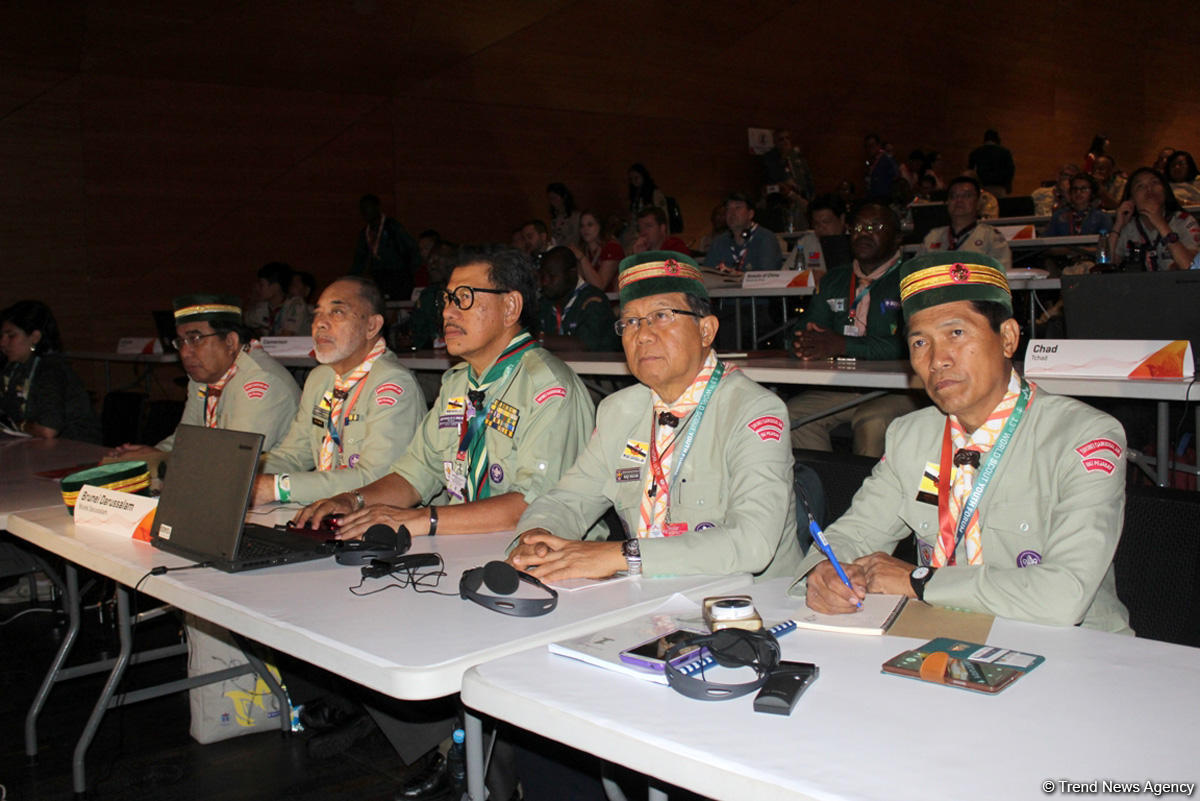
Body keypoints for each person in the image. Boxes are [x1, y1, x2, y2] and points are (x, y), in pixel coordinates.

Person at [794, 251, 1132, 634]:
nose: (938, 359)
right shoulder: (911, 437)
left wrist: (921, 581)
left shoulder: (1082, 438)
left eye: (956, 334)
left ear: (1007, 338)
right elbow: (853, 534)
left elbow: (1064, 596)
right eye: (920, 342)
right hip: (944, 638)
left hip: (1072, 652)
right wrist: (824, 573)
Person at [508, 250, 802, 583]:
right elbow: (568, 499)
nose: (642, 334)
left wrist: (620, 555)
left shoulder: (753, 411)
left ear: (706, 330)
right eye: (630, 321)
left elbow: (752, 542)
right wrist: (536, 538)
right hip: (648, 598)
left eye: (661, 316)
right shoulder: (619, 411)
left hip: (748, 608)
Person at [294, 246, 595, 541]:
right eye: (448, 299)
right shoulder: (458, 383)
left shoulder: (547, 388)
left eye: (464, 298)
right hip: (460, 542)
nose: (448, 312)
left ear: (510, 307)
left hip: (539, 555)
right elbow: (414, 473)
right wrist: (353, 501)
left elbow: (534, 504)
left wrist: (425, 519)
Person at [251, 277, 424, 506]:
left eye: (337, 312)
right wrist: (242, 474)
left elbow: (378, 480)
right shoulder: (320, 378)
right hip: (332, 510)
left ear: (371, 326)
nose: (320, 324)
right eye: (317, 314)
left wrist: (277, 487)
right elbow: (293, 455)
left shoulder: (392, 384)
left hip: (384, 520)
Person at [785, 203, 916, 456]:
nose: (863, 233)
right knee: (793, 414)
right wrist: (804, 342)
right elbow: (801, 330)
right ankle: (827, 491)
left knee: (871, 420)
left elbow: (908, 345)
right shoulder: (835, 279)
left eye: (875, 227)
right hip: (845, 387)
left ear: (898, 237)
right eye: (857, 228)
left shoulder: (912, 278)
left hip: (900, 389)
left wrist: (842, 345)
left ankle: (868, 495)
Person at [107, 294, 299, 463]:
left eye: (195, 339)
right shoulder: (203, 377)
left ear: (230, 342)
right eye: (181, 342)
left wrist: (160, 459)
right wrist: (151, 453)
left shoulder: (260, 383)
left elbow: (234, 460)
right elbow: (186, 439)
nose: (185, 352)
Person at [0, 300, 100, 442]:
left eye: (11, 336)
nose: (2, 343)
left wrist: (19, 426)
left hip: (76, 450)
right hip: (41, 448)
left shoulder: (51, 369)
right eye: (1, 336)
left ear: (35, 337)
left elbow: (48, 430)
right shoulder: (13, 368)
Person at [1108, 167, 1200, 271]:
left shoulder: (1184, 221)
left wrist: (1160, 223)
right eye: (1140, 186)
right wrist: (1118, 225)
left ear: (1165, 190)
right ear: (1131, 199)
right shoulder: (1129, 226)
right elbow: (1107, 265)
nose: (1149, 189)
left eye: (1154, 183)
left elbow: (1191, 268)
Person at [537, 246, 619, 352]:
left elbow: (584, 344)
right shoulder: (544, 302)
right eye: (543, 276)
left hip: (598, 367)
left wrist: (538, 340)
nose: (545, 282)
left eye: (552, 276)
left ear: (572, 273)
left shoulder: (594, 301)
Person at [919, 176, 1012, 269]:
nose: (959, 200)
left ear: (978, 202)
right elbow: (916, 271)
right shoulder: (932, 237)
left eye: (966, 196)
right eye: (953, 196)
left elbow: (1002, 274)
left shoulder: (991, 237)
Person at [351, 193, 420, 301]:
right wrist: (350, 278)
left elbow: (412, 248)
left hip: (399, 276)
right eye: (363, 208)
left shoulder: (392, 227)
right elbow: (359, 260)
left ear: (377, 207)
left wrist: (410, 272)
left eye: (368, 207)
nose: (366, 211)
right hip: (379, 278)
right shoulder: (365, 233)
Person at [704, 192, 782, 271]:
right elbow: (708, 273)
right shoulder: (719, 242)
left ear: (750, 214)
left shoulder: (766, 238)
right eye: (728, 209)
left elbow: (766, 276)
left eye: (737, 208)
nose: (732, 213)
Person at [785, 194, 849, 277]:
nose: (820, 228)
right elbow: (785, 274)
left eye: (826, 222)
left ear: (842, 219)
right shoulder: (806, 242)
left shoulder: (855, 244)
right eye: (816, 224)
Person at [245, 262, 311, 337]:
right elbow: (246, 322)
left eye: (261, 285)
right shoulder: (262, 307)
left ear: (275, 287)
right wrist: (252, 301)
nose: (257, 288)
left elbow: (286, 336)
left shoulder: (295, 304)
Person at [1045, 174, 1110, 236]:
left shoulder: (1101, 217)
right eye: (1075, 189)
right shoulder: (1059, 216)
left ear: (1092, 192)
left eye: (1083, 189)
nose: (1078, 192)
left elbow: (1106, 243)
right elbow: (1047, 243)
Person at [577, 210, 625, 291]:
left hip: (611, 300)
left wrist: (582, 258)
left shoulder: (612, 248)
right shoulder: (584, 250)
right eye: (582, 226)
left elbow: (599, 286)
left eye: (590, 225)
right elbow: (579, 284)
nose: (585, 229)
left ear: (600, 226)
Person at [967, 129, 1015, 197]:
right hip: (1000, 188)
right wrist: (1008, 185)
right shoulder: (1005, 152)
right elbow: (1010, 170)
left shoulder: (976, 152)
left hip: (982, 188)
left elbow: (970, 172)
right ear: (997, 140)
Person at [863, 133, 898, 200]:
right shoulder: (871, 161)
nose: (869, 149)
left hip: (884, 199)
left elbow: (895, 178)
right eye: (867, 146)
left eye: (872, 145)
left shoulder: (887, 161)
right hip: (873, 197)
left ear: (878, 145)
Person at [546, 182, 581, 247]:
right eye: (550, 199)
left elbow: (577, 239)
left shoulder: (576, 217)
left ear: (564, 197)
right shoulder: (554, 219)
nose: (552, 202)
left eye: (554, 198)